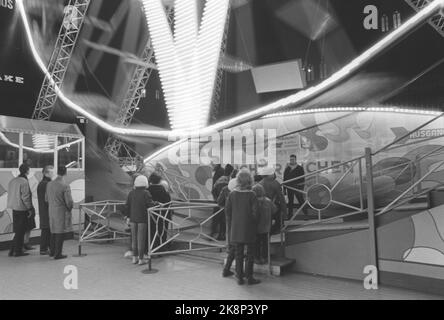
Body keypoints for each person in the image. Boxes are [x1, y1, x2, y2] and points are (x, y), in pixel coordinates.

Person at [225, 170, 260, 285]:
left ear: (238, 180)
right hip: (249, 229)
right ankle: (249, 277)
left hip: (235, 228)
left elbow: (228, 212)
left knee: (238, 254)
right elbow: (256, 214)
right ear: (250, 180)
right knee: (250, 254)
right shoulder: (252, 194)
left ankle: (239, 277)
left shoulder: (232, 194)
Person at [125, 175, 155, 265]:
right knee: (140, 239)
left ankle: (134, 258)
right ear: (145, 183)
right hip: (142, 219)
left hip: (133, 219)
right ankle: (141, 259)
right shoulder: (146, 193)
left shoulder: (131, 193)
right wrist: (157, 203)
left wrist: (128, 217)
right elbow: (150, 205)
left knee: (134, 239)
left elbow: (127, 206)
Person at [7, 164, 35, 257]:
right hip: (22, 208)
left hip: (14, 208)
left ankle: (12, 250)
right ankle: (18, 251)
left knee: (18, 230)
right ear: (27, 171)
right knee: (21, 231)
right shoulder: (24, 181)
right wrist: (30, 208)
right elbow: (25, 197)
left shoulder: (13, 181)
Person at [46, 166, 74, 260]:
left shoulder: (49, 184)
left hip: (51, 210)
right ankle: (58, 254)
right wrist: (69, 208)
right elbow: (69, 202)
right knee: (60, 232)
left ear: (57, 172)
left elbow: (46, 199)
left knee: (53, 230)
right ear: (65, 173)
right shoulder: (64, 185)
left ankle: (52, 251)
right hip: (61, 211)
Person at [258, 167, 287, 234]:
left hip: (261, 207)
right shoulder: (275, 183)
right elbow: (281, 199)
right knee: (279, 221)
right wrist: (285, 213)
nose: (274, 174)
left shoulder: (259, 184)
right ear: (270, 174)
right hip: (272, 206)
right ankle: (274, 230)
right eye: (273, 173)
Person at [252, 184, 276, 265]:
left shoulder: (253, 201)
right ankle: (265, 257)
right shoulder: (268, 201)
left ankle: (257, 258)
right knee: (265, 243)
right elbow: (274, 210)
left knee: (256, 243)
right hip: (266, 227)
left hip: (256, 227)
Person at [148, 173, 171, 251]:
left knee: (151, 233)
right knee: (162, 233)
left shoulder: (147, 191)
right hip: (163, 217)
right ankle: (161, 249)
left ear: (150, 181)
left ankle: (151, 249)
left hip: (150, 217)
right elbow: (168, 204)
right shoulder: (164, 192)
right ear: (159, 181)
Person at [211, 164, 234, 240]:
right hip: (224, 204)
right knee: (223, 221)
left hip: (217, 203)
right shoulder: (229, 181)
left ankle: (212, 235)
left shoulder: (219, 179)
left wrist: (216, 199)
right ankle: (221, 235)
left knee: (216, 220)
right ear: (231, 172)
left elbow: (213, 190)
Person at [37, 165, 54, 255]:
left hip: (44, 209)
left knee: (46, 229)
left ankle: (47, 248)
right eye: (51, 172)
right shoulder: (46, 184)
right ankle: (44, 249)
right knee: (46, 229)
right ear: (46, 173)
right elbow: (48, 198)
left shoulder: (42, 183)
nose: (53, 173)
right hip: (47, 210)